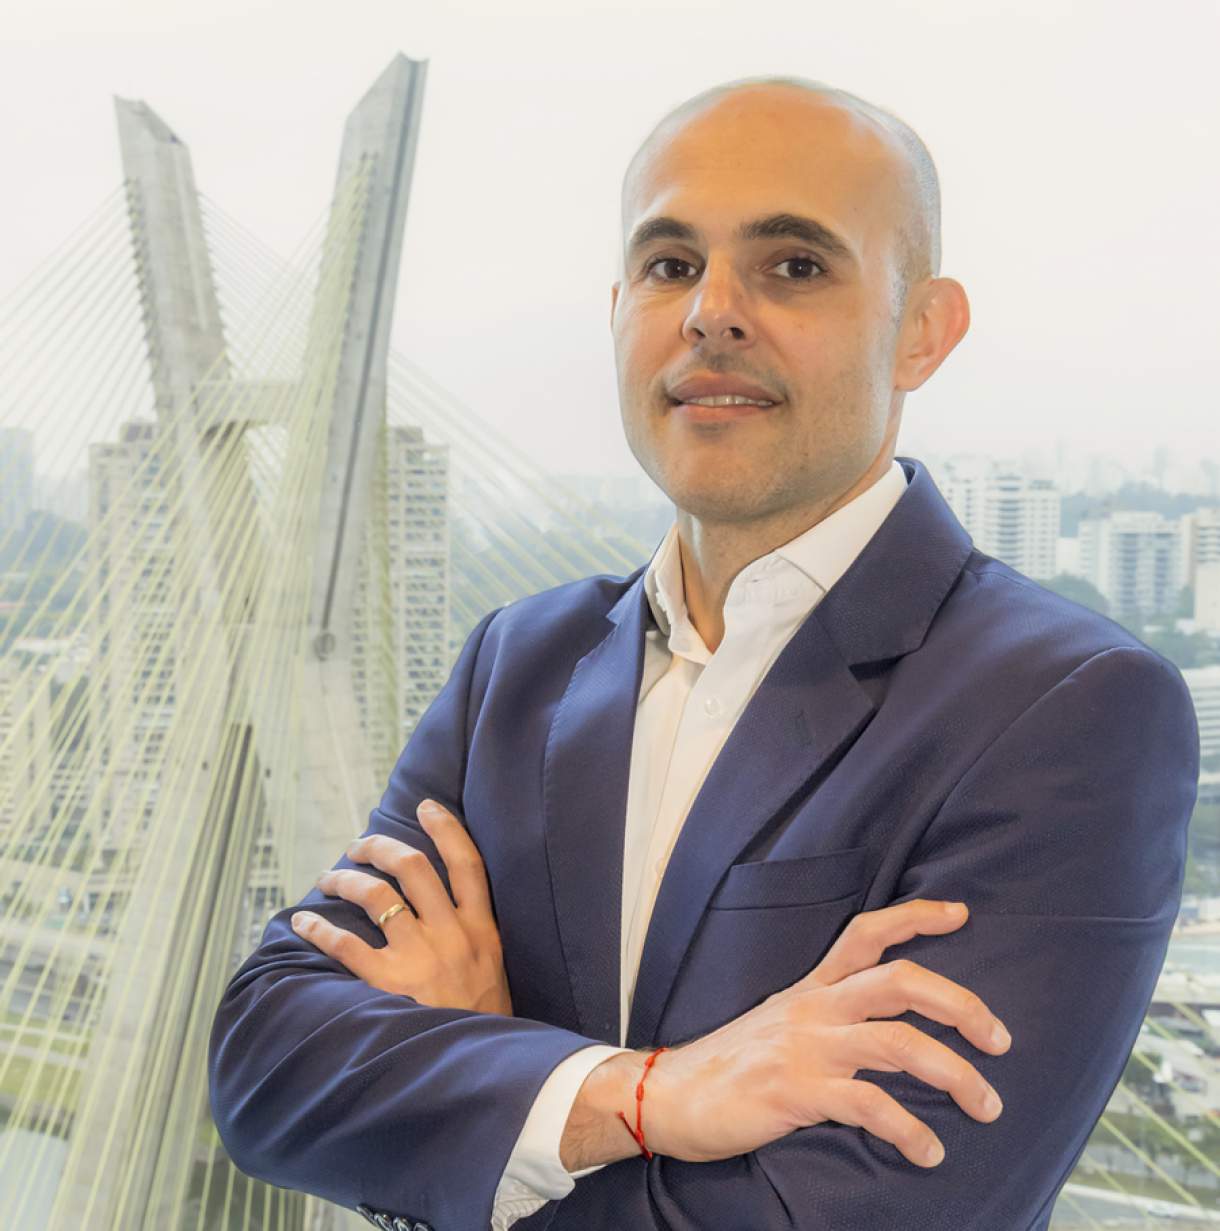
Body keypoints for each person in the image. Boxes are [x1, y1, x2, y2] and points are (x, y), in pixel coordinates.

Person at [207, 76, 1200, 1231]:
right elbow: (266, 1068)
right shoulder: (516, 666)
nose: (710, 312)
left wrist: (475, 1093)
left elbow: (856, 1217)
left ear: (921, 330)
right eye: (670, 264)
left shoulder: (1065, 709)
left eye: (793, 265)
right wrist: (645, 1096)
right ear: (617, 308)